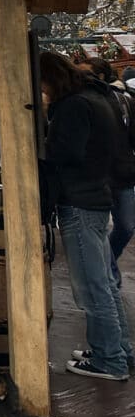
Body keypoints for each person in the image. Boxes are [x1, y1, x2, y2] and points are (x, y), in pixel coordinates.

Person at [39, 51, 134, 380]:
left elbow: (66, 152)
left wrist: (42, 142)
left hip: (80, 200)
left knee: (92, 287)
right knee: (105, 283)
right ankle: (117, 348)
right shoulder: (98, 96)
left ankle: (110, 360)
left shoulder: (73, 105)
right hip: (97, 196)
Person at [83, 58, 135, 285]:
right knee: (99, 228)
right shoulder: (81, 102)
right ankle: (111, 274)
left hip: (122, 173)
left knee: (126, 226)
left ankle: (108, 261)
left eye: (86, 73)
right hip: (96, 176)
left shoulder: (124, 101)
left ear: (101, 76)